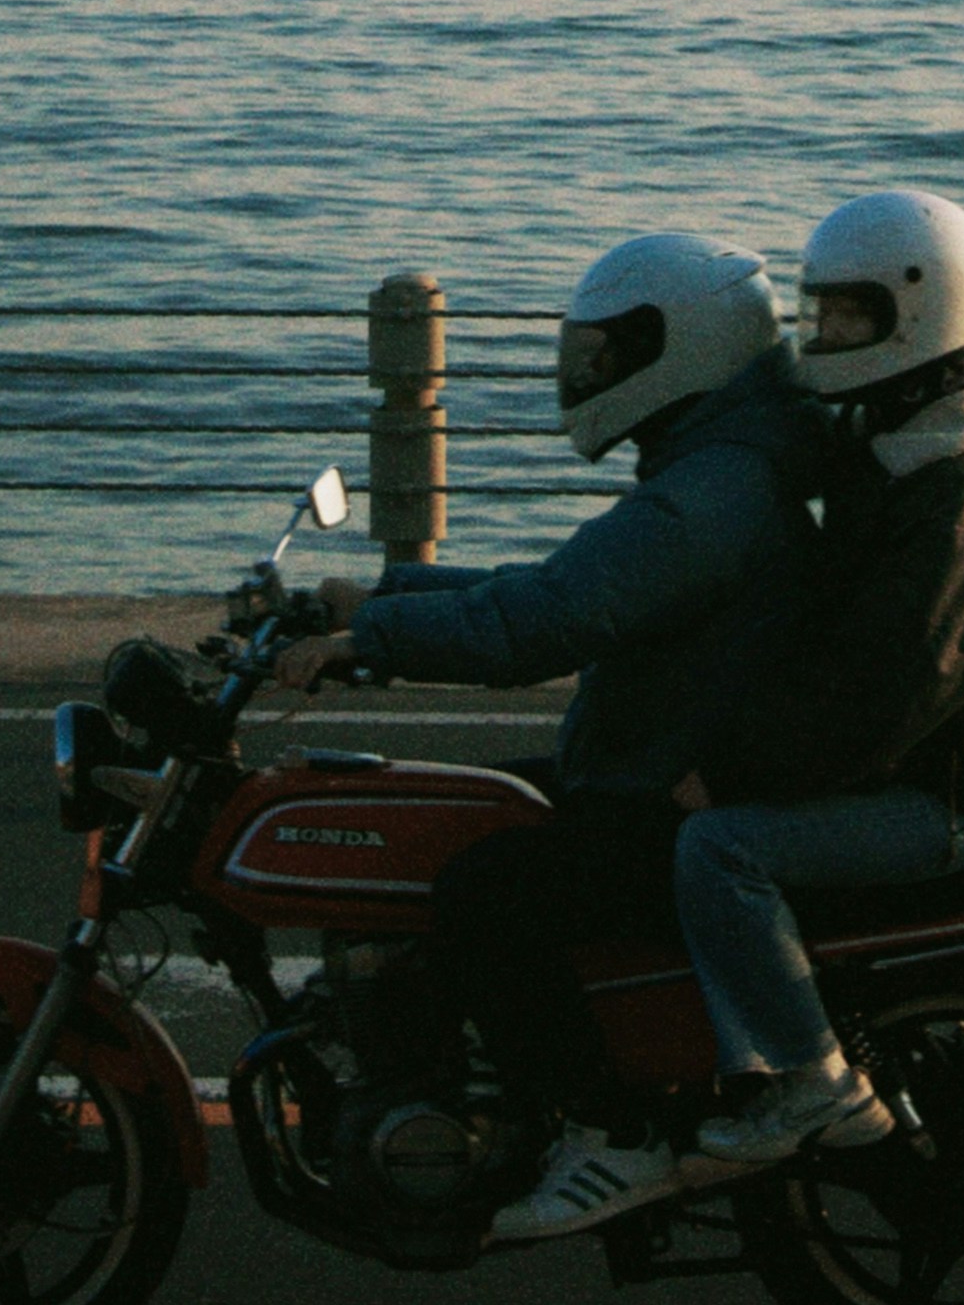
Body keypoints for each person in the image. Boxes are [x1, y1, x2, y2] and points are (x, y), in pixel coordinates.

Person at [270, 229, 829, 1243]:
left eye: (609, 352)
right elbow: (552, 589)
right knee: (451, 818)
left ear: (685, 347)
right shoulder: (717, 462)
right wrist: (375, 593)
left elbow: (538, 624)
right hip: (648, 762)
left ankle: (610, 1133)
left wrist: (371, 641)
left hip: (668, 785)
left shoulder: (712, 496)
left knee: (487, 896)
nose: (591, 372)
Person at [667, 188, 964, 1174]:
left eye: (850, 313)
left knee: (717, 849)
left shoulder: (958, 482)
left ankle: (808, 1078)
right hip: (937, 758)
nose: (828, 332)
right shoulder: (903, 426)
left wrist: (729, 769)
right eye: (822, 311)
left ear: (920, 308)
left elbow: (887, 686)